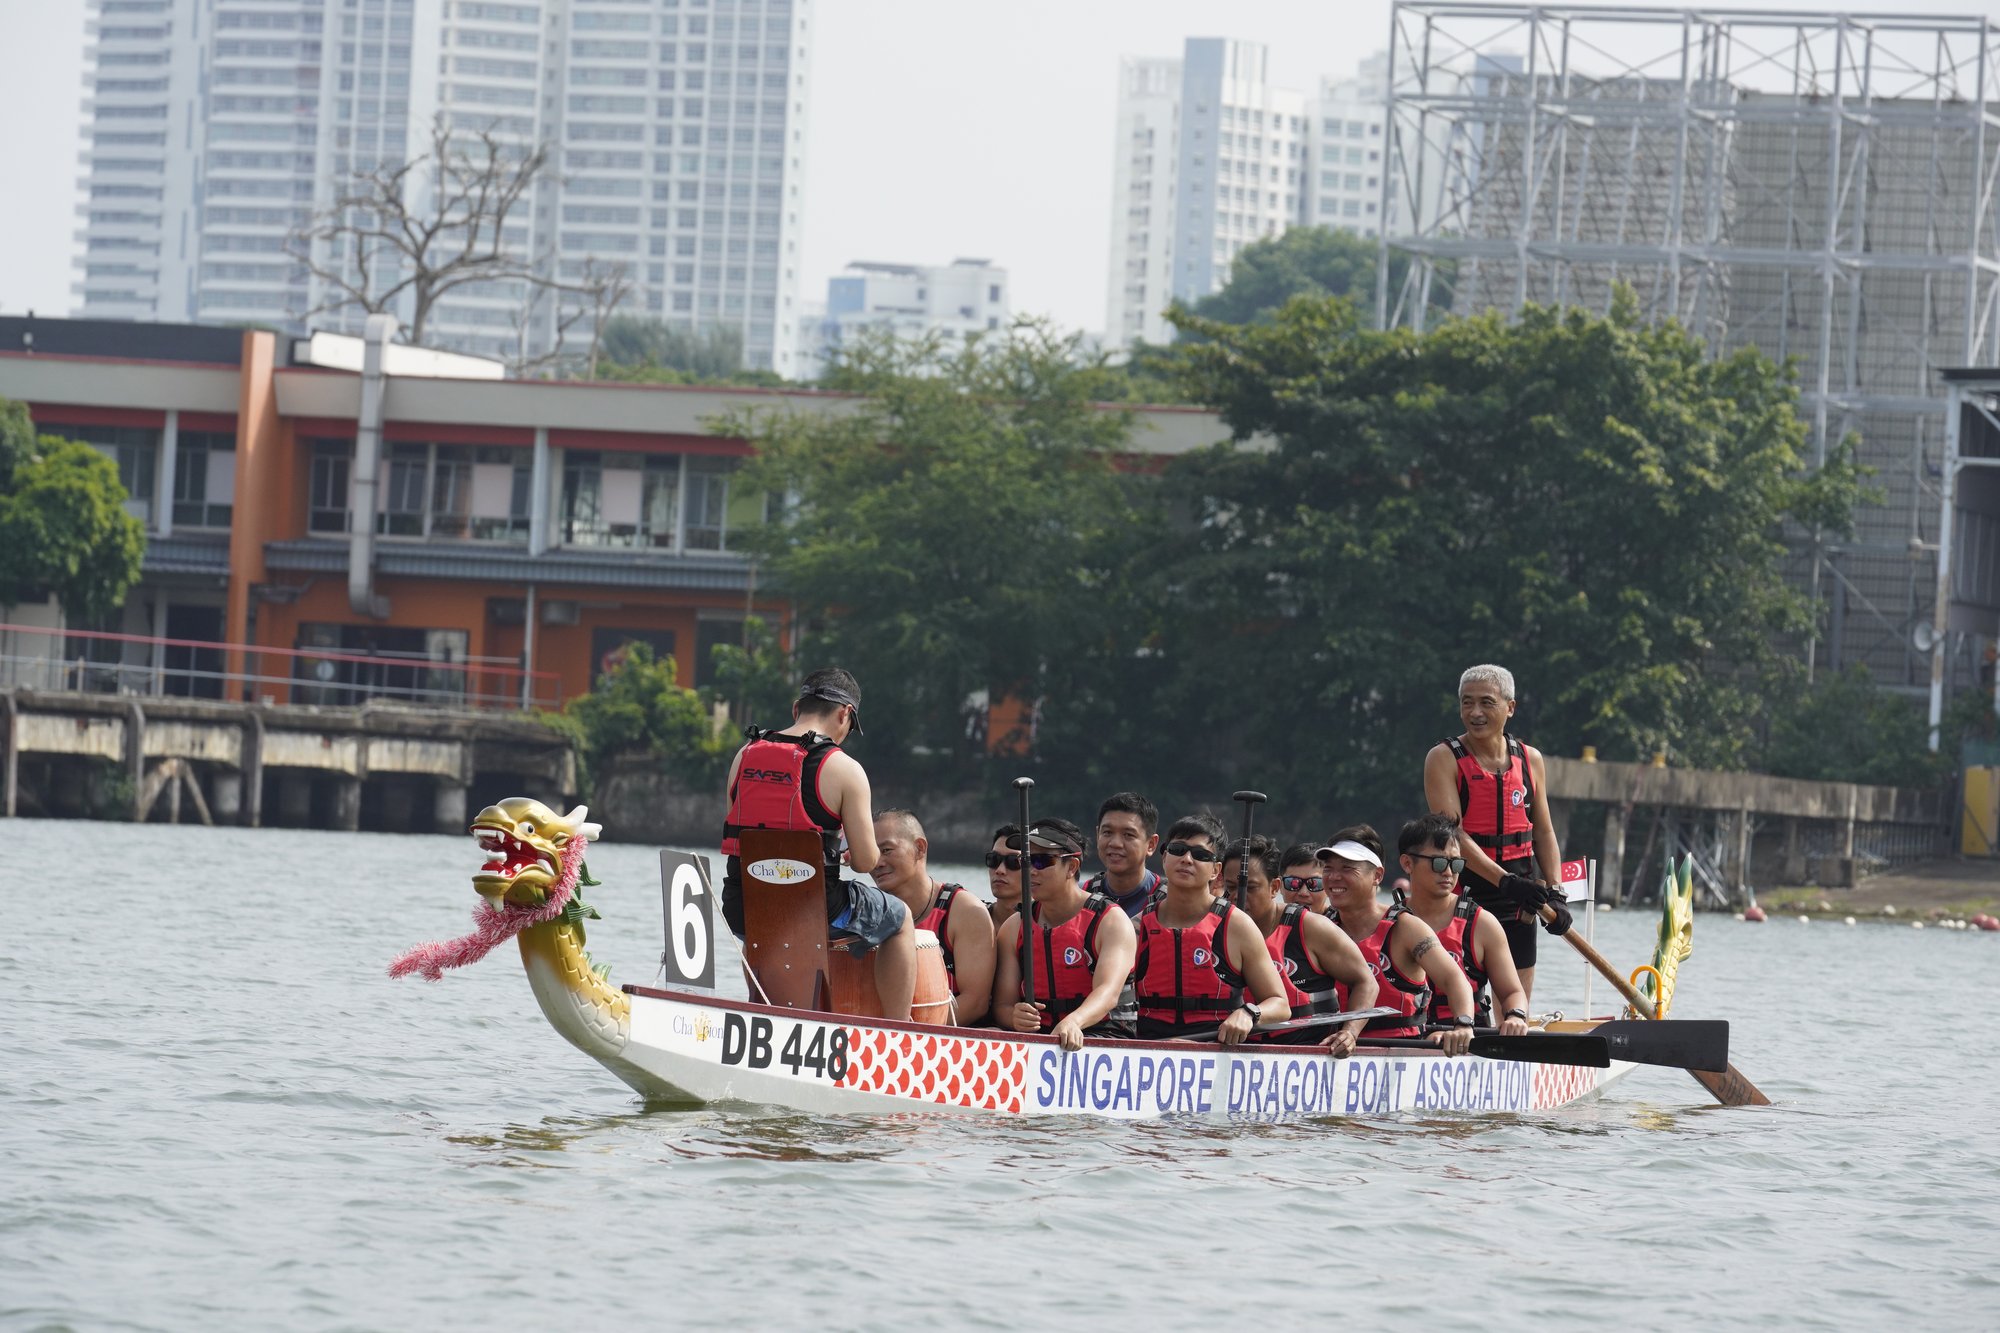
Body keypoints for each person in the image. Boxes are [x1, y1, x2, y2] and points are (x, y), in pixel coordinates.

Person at [719, 667, 916, 1021]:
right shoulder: (845, 768)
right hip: (814, 910)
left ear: (797, 708)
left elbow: (742, 833)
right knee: (900, 920)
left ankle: (762, 1010)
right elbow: (867, 862)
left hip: (742, 905)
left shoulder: (743, 756)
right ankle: (898, 1030)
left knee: (765, 911)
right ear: (845, 713)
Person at [1424, 663, 1572, 1004]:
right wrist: (1504, 881)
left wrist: (1555, 890)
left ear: (1510, 707)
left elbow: (1544, 832)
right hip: (1461, 893)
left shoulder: (1530, 759)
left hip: (1521, 900)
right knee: (1460, 1006)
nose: (1475, 712)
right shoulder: (1443, 758)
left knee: (1515, 1005)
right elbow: (1453, 835)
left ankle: (1514, 1045)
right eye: (1467, 702)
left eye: (1486, 702)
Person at [1319, 823, 1479, 1054]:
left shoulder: (1406, 928)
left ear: (1377, 876)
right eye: (1327, 868)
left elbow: (1454, 979)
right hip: (1334, 1046)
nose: (1334, 877)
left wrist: (1463, 1024)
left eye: (1347, 868)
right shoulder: (1321, 925)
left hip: (1399, 1049)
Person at [1132, 813, 1291, 1042]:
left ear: (1216, 871)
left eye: (1200, 855)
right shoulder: (1137, 926)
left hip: (1216, 1051)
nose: (1187, 859)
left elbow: (1280, 1004)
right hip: (1150, 1054)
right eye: (1177, 850)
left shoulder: (1237, 925)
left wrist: (1249, 1013)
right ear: (1165, 857)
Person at [1222, 835, 1379, 1056]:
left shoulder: (1312, 927)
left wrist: (1350, 1032)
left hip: (1309, 1056)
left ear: (1275, 887)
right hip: (1238, 1056)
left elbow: (1366, 982)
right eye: (1230, 887)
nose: (1238, 897)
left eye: (1250, 888)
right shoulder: (1218, 928)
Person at [992, 818, 1139, 1050]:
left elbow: (1108, 992)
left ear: (1071, 867)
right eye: (1025, 861)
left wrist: (1074, 1021)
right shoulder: (1014, 927)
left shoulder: (1111, 921)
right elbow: (1002, 1005)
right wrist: (1013, 1016)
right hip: (1041, 1035)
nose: (1030, 870)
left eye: (1041, 861)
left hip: (1103, 1034)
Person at [1395, 814, 1531, 1038]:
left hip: (1469, 1038)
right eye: (1438, 862)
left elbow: (1512, 992)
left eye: (1456, 863)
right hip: (1407, 1037)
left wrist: (1516, 1016)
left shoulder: (1483, 924)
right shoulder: (1389, 921)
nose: (1448, 872)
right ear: (1407, 863)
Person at [873, 809, 996, 1025]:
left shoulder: (965, 910)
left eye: (886, 850)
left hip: (941, 1042)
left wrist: (910, 1031)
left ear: (920, 848)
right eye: (871, 852)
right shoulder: (868, 910)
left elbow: (975, 1002)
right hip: (891, 1033)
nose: (877, 862)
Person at [1082, 791, 1165, 917]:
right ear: (1098, 834)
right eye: (1108, 832)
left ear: (1151, 844)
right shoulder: (1084, 895)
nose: (1115, 843)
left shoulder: (1168, 903)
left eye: (1128, 835)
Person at [985, 823, 1023, 928]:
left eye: (1013, 862)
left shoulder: (1046, 928)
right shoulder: (970, 919)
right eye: (994, 859)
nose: (1000, 870)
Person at [1276, 843, 1330, 915]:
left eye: (1314, 883)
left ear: (1329, 886)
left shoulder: (1344, 923)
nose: (1303, 893)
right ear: (1279, 885)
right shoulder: (1266, 923)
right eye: (1294, 883)